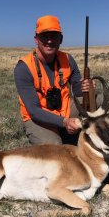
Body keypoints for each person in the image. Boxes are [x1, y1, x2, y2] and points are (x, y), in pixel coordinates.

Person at [14, 15, 91, 146]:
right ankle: (62, 134)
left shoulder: (67, 59)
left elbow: (78, 91)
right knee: (54, 146)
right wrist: (65, 122)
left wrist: (86, 86)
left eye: (54, 36)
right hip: (39, 119)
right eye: (44, 36)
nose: (49, 41)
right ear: (36, 39)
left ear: (60, 39)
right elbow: (34, 110)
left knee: (95, 97)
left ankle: (91, 133)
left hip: (64, 110)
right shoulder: (24, 67)